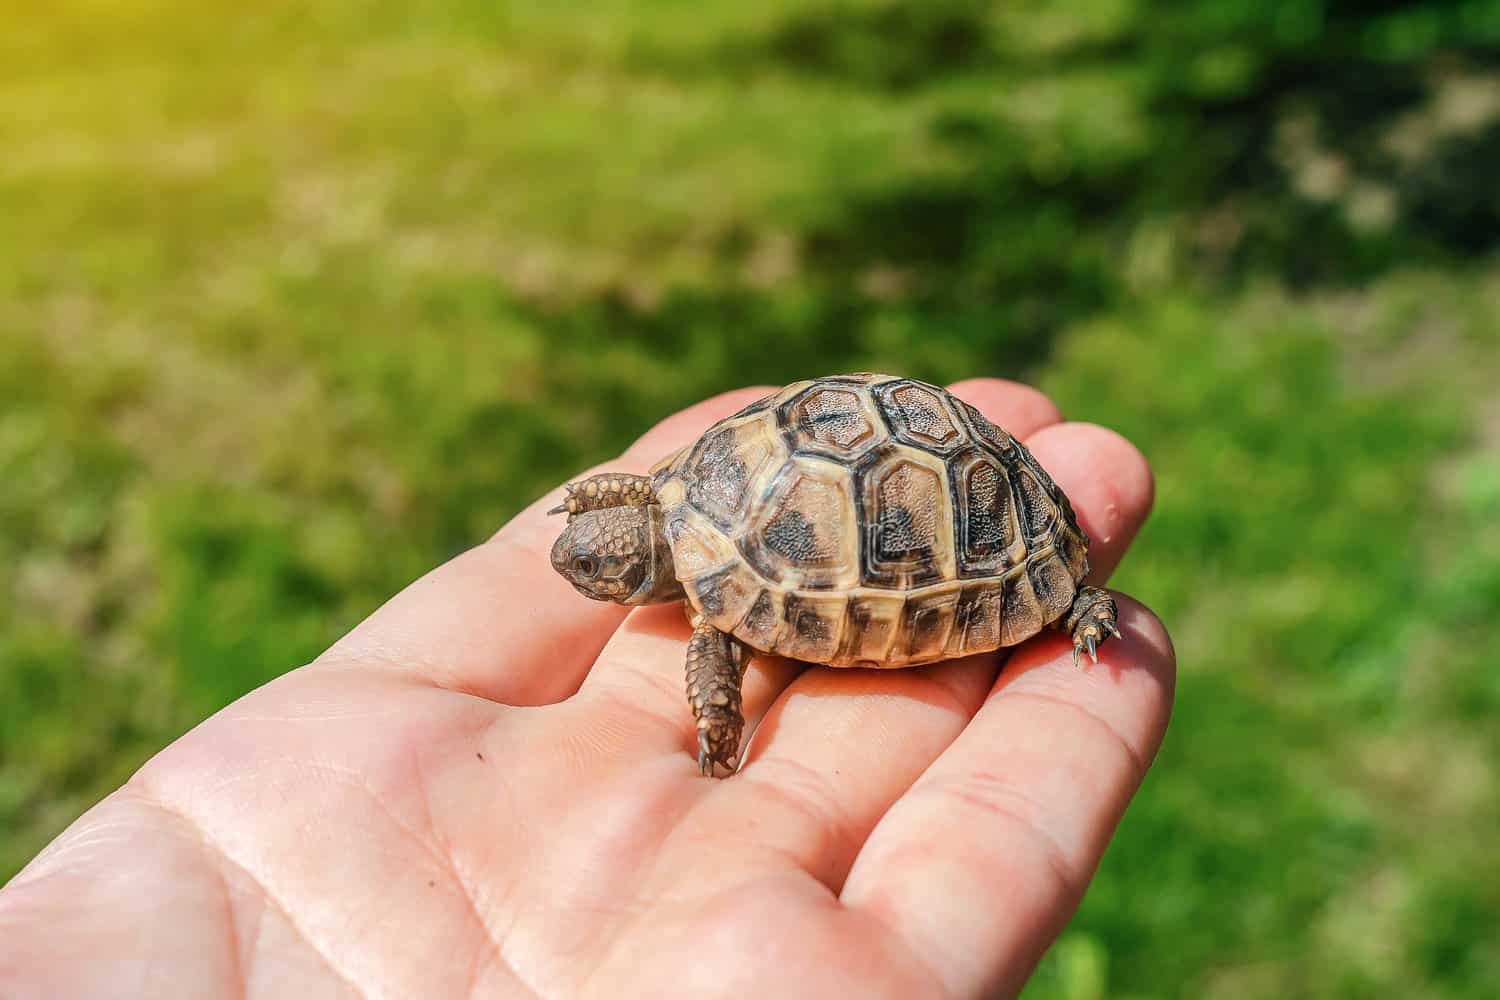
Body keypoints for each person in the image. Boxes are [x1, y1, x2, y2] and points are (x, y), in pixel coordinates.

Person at [0, 379, 1172, 999]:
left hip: (959, 526)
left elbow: (717, 642)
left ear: (643, 558)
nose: (599, 578)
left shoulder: (709, 588)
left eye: (609, 569)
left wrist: (718, 721)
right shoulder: (685, 514)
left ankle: (1053, 588)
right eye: (606, 561)